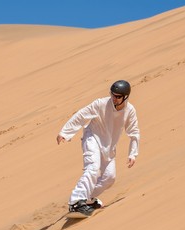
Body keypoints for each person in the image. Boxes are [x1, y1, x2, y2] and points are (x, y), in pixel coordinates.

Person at [56, 80, 140, 216]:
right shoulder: (100, 104)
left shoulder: (130, 111)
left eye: (118, 96)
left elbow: (134, 132)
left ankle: (88, 199)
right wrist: (65, 132)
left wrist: (133, 154)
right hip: (92, 138)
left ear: (125, 97)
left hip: (109, 146)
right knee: (93, 168)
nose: (114, 98)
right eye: (113, 95)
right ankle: (76, 202)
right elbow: (81, 115)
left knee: (109, 178)